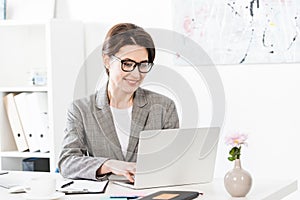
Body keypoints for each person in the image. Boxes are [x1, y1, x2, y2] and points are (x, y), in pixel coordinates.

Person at [58, 23, 179, 182]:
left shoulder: (165, 107)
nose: (136, 74)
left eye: (143, 65)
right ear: (107, 61)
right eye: (127, 64)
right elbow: (67, 162)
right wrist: (109, 165)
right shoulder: (81, 109)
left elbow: (176, 161)